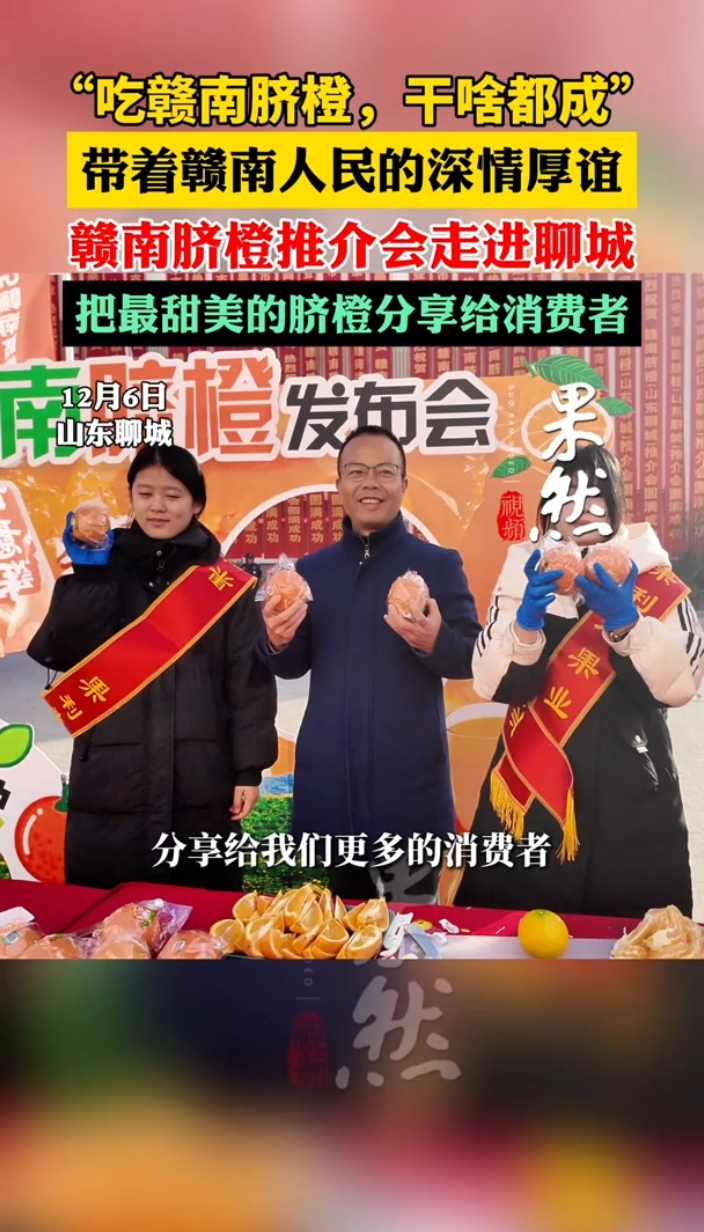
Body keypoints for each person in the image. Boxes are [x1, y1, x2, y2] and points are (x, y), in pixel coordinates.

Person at [457, 443, 702, 918]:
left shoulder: (654, 577)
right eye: (566, 495)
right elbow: (489, 680)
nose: (580, 509)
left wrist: (629, 624)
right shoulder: (524, 574)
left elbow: (683, 682)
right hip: (530, 789)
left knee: (629, 939)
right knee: (515, 936)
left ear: (615, 506)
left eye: (594, 497)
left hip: (631, 796)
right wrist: (525, 625)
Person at [27, 445, 277, 891]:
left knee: (200, 918)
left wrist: (248, 771)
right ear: (131, 499)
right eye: (145, 494)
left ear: (197, 503)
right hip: (111, 780)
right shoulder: (100, 570)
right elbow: (60, 653)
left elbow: (248, 684)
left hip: (201, 782)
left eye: (173, 495)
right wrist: (89, 579)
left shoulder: (225, 587)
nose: (157, 506)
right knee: (106, 921)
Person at [257, 425, 482, 904]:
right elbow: (292, 666)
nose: (370, 483)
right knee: (347, 926)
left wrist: (435, 641)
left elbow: (471, 656)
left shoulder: (437, 564)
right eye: (357, 472)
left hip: (410, 787)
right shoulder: (310, 572)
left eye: (385, 471)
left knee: (413, 925)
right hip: (332, 785)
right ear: (339, 484)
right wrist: (276, 640)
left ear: (404, 483)